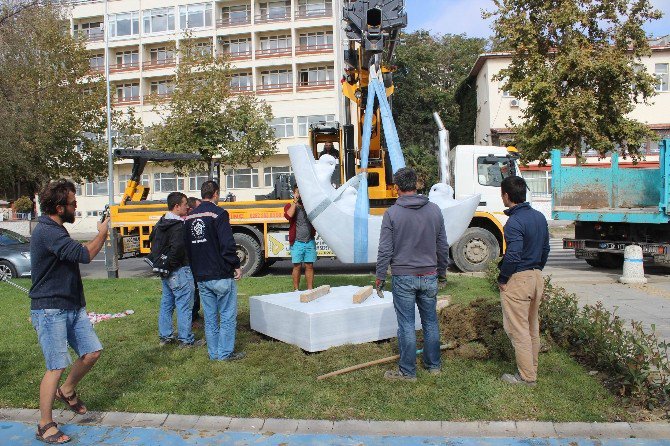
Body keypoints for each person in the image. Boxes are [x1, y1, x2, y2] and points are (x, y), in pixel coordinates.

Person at [29, 179, 108, 444]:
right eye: (74, 203)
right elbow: (84, 255)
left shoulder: (56, 229)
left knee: (92, 352)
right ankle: (44, 424)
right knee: (55, 366)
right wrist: (103, 234)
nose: (77, 207)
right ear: (60, 207)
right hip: (50, 308)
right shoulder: (48, 231)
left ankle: (68, 390)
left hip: (71, 305)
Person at [375, 167, 449, 382]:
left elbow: (385, 250)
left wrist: (380, 276)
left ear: (396, 187)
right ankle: (433, 365)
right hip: (429, 275)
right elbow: (442, 246)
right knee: (431, 321)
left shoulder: (392, 213)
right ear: (416, 184)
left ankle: (407, 371)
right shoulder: (434, 210)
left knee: (406, 324)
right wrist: (442, 273)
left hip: (403, 277)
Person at [497, 175, 550, 386]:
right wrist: (536, 269)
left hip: (519, 279)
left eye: (502, 195)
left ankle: (527, 377)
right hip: (537, 276)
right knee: (531, 327)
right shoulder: (539, 217)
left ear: (507, 195)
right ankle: (532, 370)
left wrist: (503, 278)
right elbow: (546, 249)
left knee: (518, 330)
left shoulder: (514, 222)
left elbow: (513, 254)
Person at [184, 181, 245, 361]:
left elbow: (188, 247)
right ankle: (225, 353)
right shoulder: (219, 213)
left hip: (201, 275)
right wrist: (235, 265)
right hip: (220, 273)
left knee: (210, 317)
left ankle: (214, 353)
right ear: (216, 194)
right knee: (226, 315)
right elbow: (227, 244)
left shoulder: (189, 217)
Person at [154, 192, 203, 348]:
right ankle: (185, 339)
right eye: (184, 204)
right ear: (176, 206)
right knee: (184, 305)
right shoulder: (178, 226)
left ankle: (165, 336)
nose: (187, 206)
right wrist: (173, 265)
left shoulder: (162, 222)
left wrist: (165, 267)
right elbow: (178, 249)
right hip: (179, 270)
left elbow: (154, 243)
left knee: (167, 303)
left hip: (165, 271)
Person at [284, 185, 317, 291]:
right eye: (298, 192)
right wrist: (295, 201)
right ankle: (296, 290)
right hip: (297, 242)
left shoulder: (309, 206)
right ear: (294, 193)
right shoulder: (290, 205)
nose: (300, 194)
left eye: (301, 192)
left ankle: (310, 289)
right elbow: (288, 215)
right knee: (297, 266)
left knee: (309, 266)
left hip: (309, 241)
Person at [186, 196, 202, 327]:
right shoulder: (187, 223)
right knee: (193, 291)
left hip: (195, 262)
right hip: (189, 264)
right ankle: (192, 318)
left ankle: (195, 315)